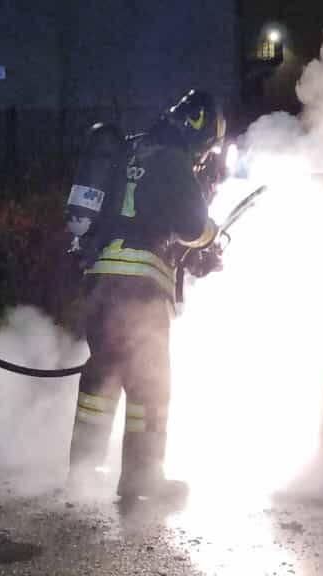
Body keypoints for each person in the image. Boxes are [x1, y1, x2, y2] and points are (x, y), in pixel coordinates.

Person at [67, 89, 226, 500]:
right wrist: (213, 236)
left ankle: (82, 470)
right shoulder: (173, 160)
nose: (204, 160)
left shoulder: (132, 149)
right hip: (139, 289)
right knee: (150, 383)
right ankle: (142, 476)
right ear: (198, 136)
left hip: (101, 280)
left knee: (102, 373)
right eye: (206, 150)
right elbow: (192, 225)